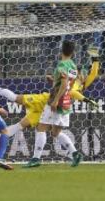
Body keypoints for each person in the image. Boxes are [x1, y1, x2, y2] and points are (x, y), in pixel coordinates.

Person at [0, 49, 100, 139]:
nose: (84, 76)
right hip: (46, 101)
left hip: (53, 109)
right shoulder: (73, 80)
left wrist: (95, 59)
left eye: (85, 74)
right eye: (82, 73)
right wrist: (86, 100)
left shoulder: (82, 85)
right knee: (16, 98)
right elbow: (68, 90)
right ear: (78, 73)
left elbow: (93, 74)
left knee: (23, 125)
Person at [25, 40, 82, 168]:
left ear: (61, 50)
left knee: (41, 128)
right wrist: (54, 80)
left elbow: (63, 83)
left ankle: (35, 159)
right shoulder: (73, 66)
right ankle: (75, 154)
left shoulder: (62, 65)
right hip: (66, 101)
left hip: (56, 101)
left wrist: (55, 100)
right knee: (55, 133)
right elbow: (70, 84)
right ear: (73, 52)